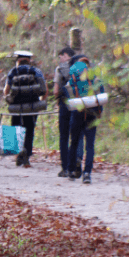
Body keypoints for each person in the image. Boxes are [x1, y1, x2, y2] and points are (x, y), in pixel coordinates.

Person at [65, 56, 104, 184]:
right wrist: (99, 113)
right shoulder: (96, 79)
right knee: (90, 146)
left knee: (74, 142)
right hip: (92, 114)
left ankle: (71, 171)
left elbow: (67, 97)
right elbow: (101, 96)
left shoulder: (72, 80)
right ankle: (87, 174)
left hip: (77, 113)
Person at [3, 51, 47, 166]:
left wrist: (9, 100)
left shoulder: (13, 71)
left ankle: (18, 154)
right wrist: (40, 103)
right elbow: (44, 89)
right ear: (29, 60)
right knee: (29, 130)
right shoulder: (36, 71)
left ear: (18, 60)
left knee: (16, 129)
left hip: (16, 106)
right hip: (32, 106)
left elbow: (6, 91)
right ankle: (26, 155)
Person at [53, 47, 84, 178]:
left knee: (64, 136)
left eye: (61, 56)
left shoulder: (60, 69)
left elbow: (55, 91)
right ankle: (77, 158)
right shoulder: (83, 67)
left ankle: (65, 168)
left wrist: (58, 98)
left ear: (66, 55)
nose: (60, 59)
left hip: (65, 104)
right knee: (78, 134)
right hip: (80, 104)